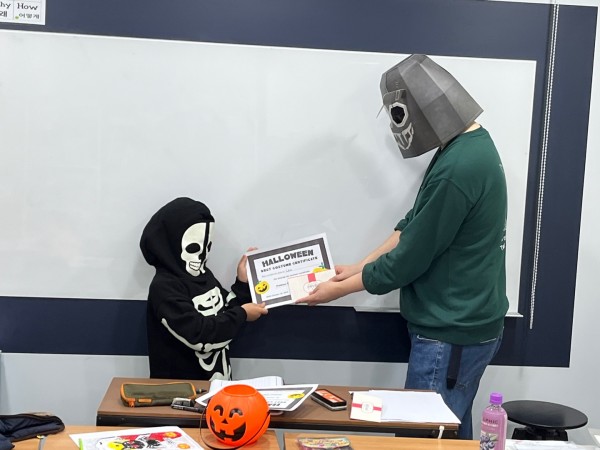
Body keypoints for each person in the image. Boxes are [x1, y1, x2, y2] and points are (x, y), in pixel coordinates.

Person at [297, 54, 508, 439]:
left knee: (423, 440)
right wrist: (359, 267)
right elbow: (414, 224)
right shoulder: (465, 147)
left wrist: (337, 290)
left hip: (451, 333)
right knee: (449, 435)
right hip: (462, 328)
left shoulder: (459, 166)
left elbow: (409, 259)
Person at [140, 197, 268, 381]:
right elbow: (198, 335)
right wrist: (242, 314)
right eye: (194, 248)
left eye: (207, 247)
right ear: (172, 244)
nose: (201, 256)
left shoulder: (204, 276)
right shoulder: (165, 287)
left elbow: (226, 309)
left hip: (217, 388)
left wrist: (242, 284)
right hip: (180, 393)